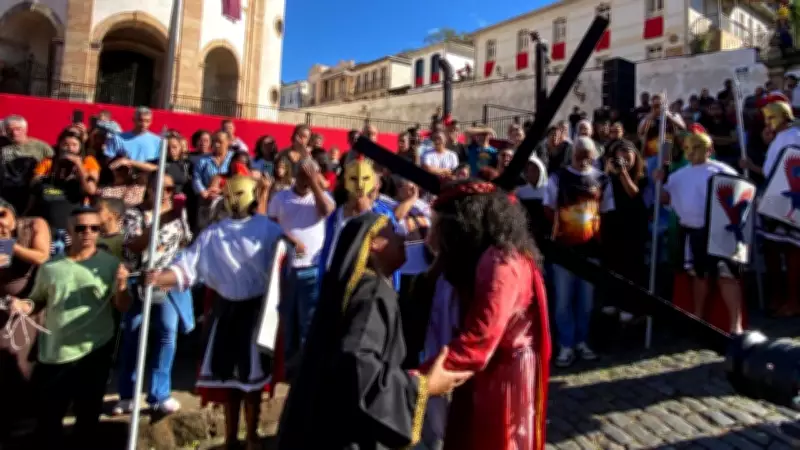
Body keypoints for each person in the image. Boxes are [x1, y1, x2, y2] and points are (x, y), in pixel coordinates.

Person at [277, 213, 472, 449]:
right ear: (375, 243)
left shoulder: (364, 288)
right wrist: (424, 387)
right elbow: (359, 363)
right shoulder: (372, 292)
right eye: (392, 231)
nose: (402, 236)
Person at [145, 175, 286, 450]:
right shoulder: (214, 233)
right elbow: (187, 267)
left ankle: (253, 436)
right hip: (225, 311)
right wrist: (159, 278)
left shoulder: (267, 229)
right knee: (230, 378)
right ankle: (233, 437)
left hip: (256, 312)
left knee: (252, 379)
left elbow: (285, 258)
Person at [420, 180, 552, 450]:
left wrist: (416, 383)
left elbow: (479, 341)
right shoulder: (492, 255)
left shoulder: (500, 263)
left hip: (502, 375)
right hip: (489, 368)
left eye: (442, 225)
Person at [12, 207, 130, 450]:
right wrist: (21, 306)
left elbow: (122, 306)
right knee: (49, 424)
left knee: (87, 423)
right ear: (69, 232)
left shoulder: (110, 264)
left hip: (94, 351)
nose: (87, 233)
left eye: (94, 228)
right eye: (81, 228)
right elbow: (37, 300)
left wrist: (121, 286)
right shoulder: (51, 268)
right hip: (55, 355)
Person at [114, 172, 194, 415]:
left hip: (165, 281)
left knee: (167, 333)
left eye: (170, 189)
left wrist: (173, 273)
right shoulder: (133, 213)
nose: (165, 194)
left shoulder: (178, 214)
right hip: (138, 280)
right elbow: (134, 245)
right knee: (134, 334)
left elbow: (184, 242)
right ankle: (127, 394)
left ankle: (160, 394)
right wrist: (162, 219)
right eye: (160, 188)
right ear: (148, 188)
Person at [654, 124, 744, 333]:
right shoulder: (678, 176)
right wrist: (658, 182)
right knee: (699, 276)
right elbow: (666, 200)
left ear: (709, 150)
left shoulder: (724, 171)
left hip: (722, 233)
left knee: (727, 276)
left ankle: (735, 326)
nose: (692, 152)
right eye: (688, 148)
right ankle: (699, 320)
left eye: (697, 147)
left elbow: (741, 199)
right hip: (694, 233)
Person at [543, 137, 612, 367]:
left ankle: (582, 341)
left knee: (586, 301)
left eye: (588, 155)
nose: (583, 159)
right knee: (563, 301)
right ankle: (566, 344)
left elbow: (606, 210)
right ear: (572, 154)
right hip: (564, 250)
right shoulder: (557, 178)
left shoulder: (602, 179)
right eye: (579, 154)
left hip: (591, 249)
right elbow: (548, 209)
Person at [268, 158, 335, 365]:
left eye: (311, 174)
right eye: (303, 174)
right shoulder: (281, 198)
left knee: (309, 321)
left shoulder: (322, 197)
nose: (306, 179)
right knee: (286, 319)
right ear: (295, 174)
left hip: (312, 269)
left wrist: (315, 183)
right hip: (288, 267)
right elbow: (270, 227)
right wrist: (289, 239)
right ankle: (286, 364)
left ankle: (305, 367)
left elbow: (328, 212)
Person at [0, 198, 50, 443]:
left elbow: (41, 256)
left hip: (31, 304)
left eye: (2, 215)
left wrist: (9, 245)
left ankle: (27, 425)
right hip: (5, 306)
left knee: (23, 363)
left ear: (13, 213)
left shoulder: (34, 225)